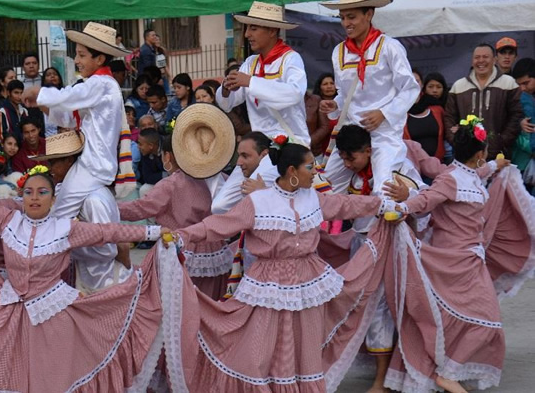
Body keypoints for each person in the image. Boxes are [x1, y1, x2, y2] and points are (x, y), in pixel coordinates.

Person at [0, 152, 164, 391]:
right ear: (22, 196)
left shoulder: (65, 228)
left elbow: (109, 232)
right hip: (11, 317)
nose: (35, 197)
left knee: (51, 381)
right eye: (29, 192)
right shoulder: (8, 220)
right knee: (6, 375)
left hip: (53, 317)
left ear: (53, 199)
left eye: (42, 193)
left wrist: (155, 232)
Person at [161, 140, 398, 392]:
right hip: (268, 286)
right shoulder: (259, 202)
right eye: (310, 167)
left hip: (308, 282)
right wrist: (183, 235)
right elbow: (217, 225)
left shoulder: (314, 198)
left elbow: (347, 205)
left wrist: (383, 205)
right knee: (259, 347)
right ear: (292, 171)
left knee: (305, 347)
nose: (315, 172)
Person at [387, 120, 511, 393]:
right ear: (480, 153)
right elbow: (427, 200)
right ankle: (448, 374)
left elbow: (476, 175)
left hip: (469, 260)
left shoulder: (467, 173)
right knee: (486, 319)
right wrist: (403, 206)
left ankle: (447, 371)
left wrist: (495, 167)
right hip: (449, 261)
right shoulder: (451, 178)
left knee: (470, 318)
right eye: (486, 151)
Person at [336, 123, 428, 393]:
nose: (346, 163)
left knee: (391, 308)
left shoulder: (397, 168)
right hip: (361, 245)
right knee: (370, 307)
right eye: (342, 157)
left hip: (394, 246)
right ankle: (386, 375)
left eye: (350, 157)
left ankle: (393, 376)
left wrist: (408, 196)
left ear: (368, 150)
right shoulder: (349, 175)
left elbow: (425, 202)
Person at [22, 22, 130, 220]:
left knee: (60, 215)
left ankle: (49, 248)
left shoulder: (101, 83)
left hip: (93, 165)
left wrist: (38, 92)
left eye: (82, 55)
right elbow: (71, 118)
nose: (76, 60)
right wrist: (42, 103)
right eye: (77, 54)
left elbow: (68, 96)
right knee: (62, 212)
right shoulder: (100, 84)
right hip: (92, 164)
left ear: (99, 58)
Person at [214, 1, 310, 214]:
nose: (247, 34)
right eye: (248, 28)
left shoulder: (290, 59)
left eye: (253, 28)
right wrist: (227, 89)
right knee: (219, 206)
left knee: (258, 198)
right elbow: (227, 102)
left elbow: (293, 94)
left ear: (273, 31)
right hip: (257, 149)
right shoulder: (251, 63)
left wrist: (251, 82)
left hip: (288, 145)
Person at [319, 0, 420, 196]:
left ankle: (385, 226)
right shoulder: (338, 52)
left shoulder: (389, 47)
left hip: (383, 133)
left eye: (352, 17)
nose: (346, 23)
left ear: (369, 14)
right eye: (342, 18)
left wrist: (384, 113)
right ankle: (329, 227)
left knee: (384, 188)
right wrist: (334, 105)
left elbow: (410, 88)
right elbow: (344, 95)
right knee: (325, 186)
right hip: (352, 132)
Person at [118, 135, 232, 299]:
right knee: (211, 300)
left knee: (182, 303)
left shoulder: (171, 183)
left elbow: (141, 208)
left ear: (168, 155)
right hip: (215, 249)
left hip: (182, 247)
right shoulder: (217, 178)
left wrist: (111, 208)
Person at [37, 130, 132, 293]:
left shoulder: (92, 199)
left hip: (106, 283)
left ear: (68, 161)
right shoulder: (73, 191)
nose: (49, 168)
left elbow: (107, 249)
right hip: (90, 280)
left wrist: (66, 246)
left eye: (52, 163)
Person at [445, 43, 523, 159]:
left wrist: (501, 141)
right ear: (472, 61)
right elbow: (449, 118)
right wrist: (458, 142)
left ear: (494, 60)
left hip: (499, 156)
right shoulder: (459, 86)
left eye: (485, 57)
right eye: (477, 57)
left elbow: (517, 115)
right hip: (467, 158)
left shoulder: (508, 83)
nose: (481, 61)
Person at [404, 80, 446, 160]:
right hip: (411, 164)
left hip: (438, 164)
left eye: (417, 81)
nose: (413, 83)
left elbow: (447, 129)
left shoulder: (437, 109)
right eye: (409, 80)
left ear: (422, 85)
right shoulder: (398, 112)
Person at [511, 58, 535, 183]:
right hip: (523, 162)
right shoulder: (521, 98)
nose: (522, 88)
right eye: (519, 84)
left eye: (526, 83)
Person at [0, 80, 28, 145]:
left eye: (21, 93)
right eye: (16, 93)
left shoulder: (24, 111)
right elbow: (0, 137)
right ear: (8, 93)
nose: (19, 96)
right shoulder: (2, 111)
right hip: (9, 151)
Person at [136, 127, 164, 198]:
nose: (138, 147)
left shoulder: (168, 147)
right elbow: (147, 177)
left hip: (177, 182)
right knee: (144, 189)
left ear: (151, 146)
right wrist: (165, 175)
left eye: (140, 144)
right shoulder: (145, 153)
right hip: (161, 181)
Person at [41, 67, 64, 137]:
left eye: (55, 74)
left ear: (59, 79)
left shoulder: (65, 95)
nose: (52, 76)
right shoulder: (41, 99)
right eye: (48, 75)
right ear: (44, 81)